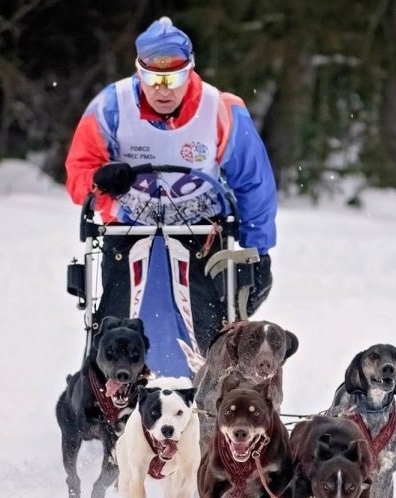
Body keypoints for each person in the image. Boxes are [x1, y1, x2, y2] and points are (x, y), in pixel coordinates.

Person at [65, 16, 277, 377]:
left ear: (190, 70)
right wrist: (100, 180)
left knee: (211, 330)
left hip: (201, 236)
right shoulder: (110, 107)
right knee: (117, 327)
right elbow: (78, 176)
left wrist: (257, 250)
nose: (163, 90)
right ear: (139, 71)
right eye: (153, 78)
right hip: (128, 234)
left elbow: (254, 183)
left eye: (174, 77)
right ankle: (111, 397)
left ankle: (206, 394)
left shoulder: (222, 109)